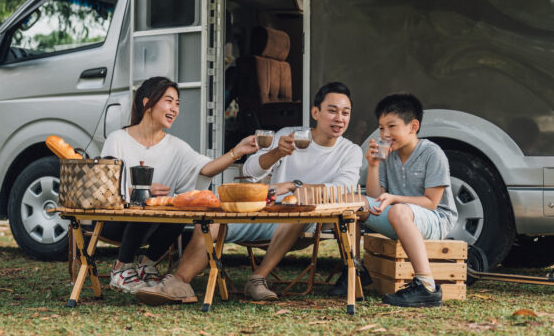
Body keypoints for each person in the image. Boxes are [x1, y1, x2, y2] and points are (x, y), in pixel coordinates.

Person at [136, 82, 363, 305]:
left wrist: (294, 186)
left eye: (345, 113)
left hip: (305, 218)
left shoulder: (350, 151)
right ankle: (178, 282)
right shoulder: (289, 135)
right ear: (316, 112)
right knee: (212, 220)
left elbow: (343, 188)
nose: (339, 118)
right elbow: (250, 171)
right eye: (332, 111)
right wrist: (275, 153)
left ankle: (257, 278)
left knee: (297, 211)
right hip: (265, 210)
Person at [101, 76, 257, 293]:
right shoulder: (118, 139)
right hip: (114, 220)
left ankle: (147, 264)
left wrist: (236, 152)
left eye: (177, 104)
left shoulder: (176, 147)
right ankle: (121, 269)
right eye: (169, 101)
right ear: (147, 103)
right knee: (145, 202)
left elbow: (205, 168)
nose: (174, 108)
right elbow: (104, 187)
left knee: (179, 206)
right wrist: (141, 191)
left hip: (151, 224)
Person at [359, 93, 457, 307]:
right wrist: (374, 166)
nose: (385, 134)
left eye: (391, 127)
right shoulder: (388, 155)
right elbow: (376, 200)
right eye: (381, 128)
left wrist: (395, 199)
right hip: (400, 217)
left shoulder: (432, 153)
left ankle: (427, 286)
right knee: (356, 202)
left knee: (398, 210)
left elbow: (432, 202)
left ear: (413, 126)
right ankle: (355, 272)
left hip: (436, 219)